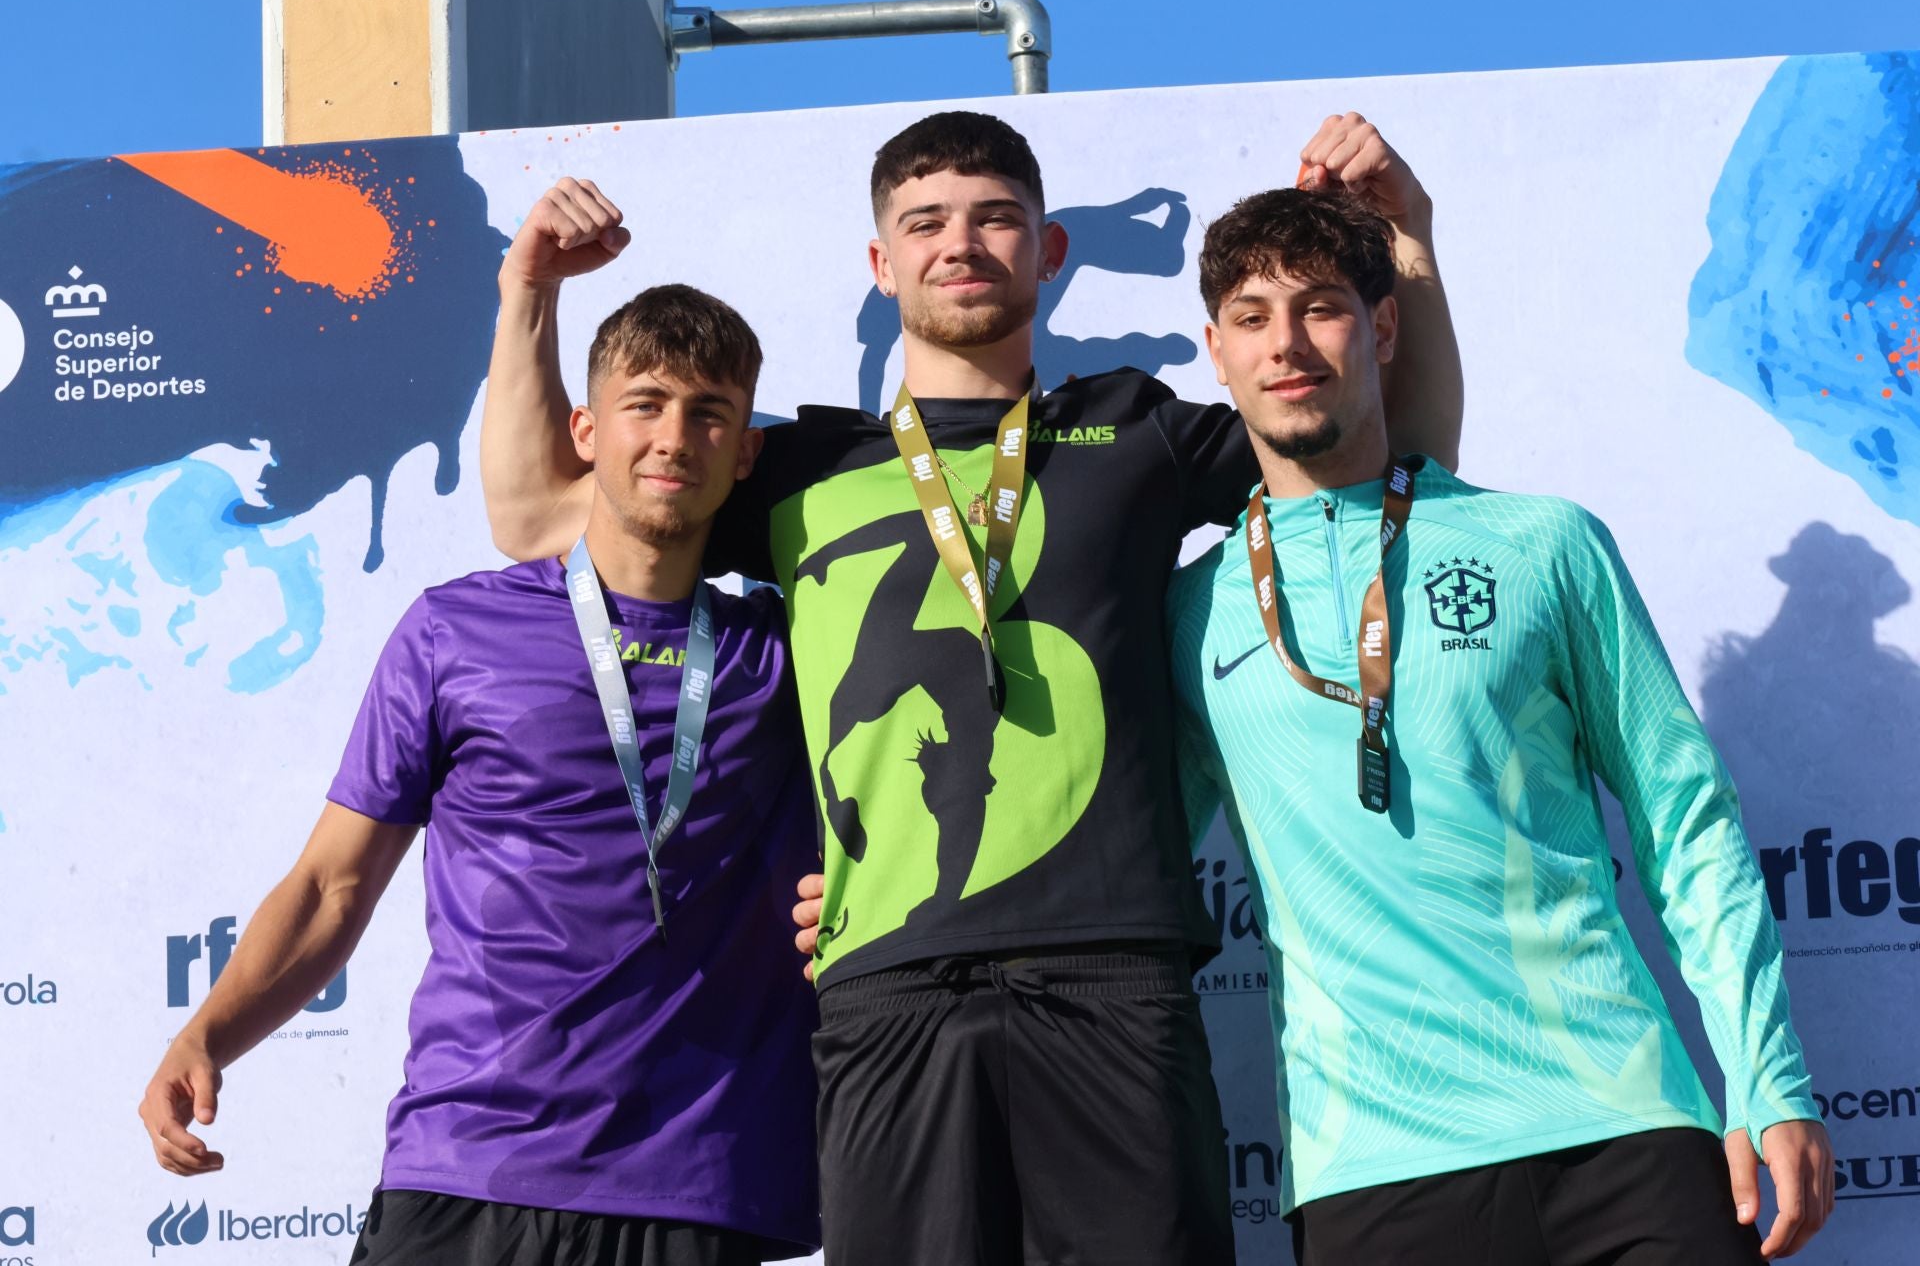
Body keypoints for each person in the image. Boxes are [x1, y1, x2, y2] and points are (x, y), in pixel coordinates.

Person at [481, 111, 1462, 1264]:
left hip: (1115, 974)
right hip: (884, 985)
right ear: (880, 262)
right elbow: (536, 513)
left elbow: (1394, 454)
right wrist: (528, 289)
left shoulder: (1135, 425)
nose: (962, 243)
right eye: (926, 222)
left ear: (1047, 252)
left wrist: (1411, 234)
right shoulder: (801, 464)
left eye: (996, 218)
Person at [1166, 185, 1832, 1265]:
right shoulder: (1189, 617)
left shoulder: (1544, 545)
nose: (1286, 343)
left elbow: (1686, 818)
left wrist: (1769, 1080)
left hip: (1621, 1132)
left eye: (1322, 307)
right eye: (1252, 316)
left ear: (1383, 325)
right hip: (1369, 1169)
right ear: (1217, 348)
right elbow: (1108, 857)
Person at [138, 285, 821, 1266]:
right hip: (467, 1171)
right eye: (646, 403)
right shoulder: (455, 630)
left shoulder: (787, 649)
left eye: (711, 412)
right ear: (585, 427)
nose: (675, 436)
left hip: (696, 1183)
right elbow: (333, 883)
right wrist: (207, 1031)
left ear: (745, 450)